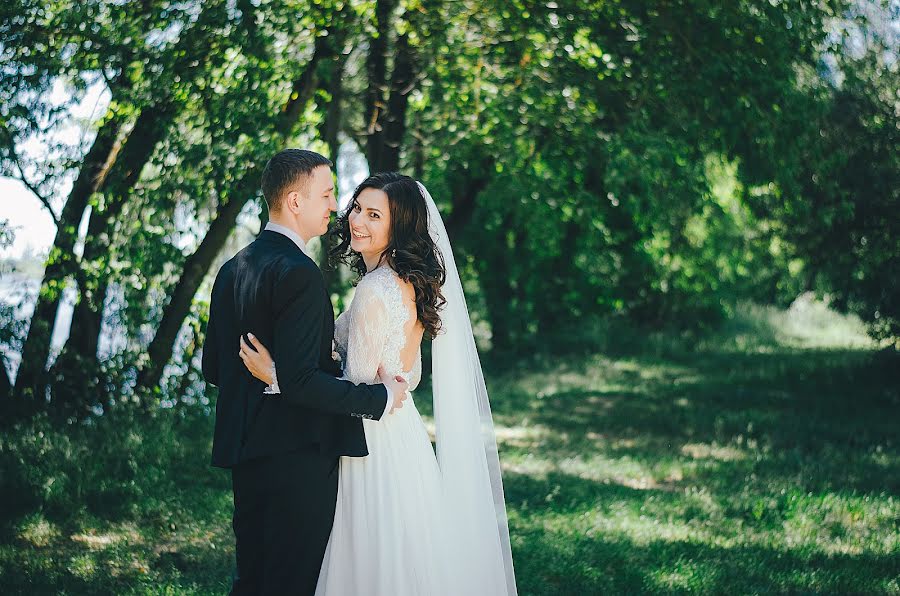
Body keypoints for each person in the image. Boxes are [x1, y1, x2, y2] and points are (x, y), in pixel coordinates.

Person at [239, 172, 518, 595]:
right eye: (356, 208)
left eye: (374, 215)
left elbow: (353, 392)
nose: (356, 221)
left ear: (398, 227)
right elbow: (410, 375)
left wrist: (278, 376)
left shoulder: (374, 289)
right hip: (403, 437)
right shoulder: (407, 284)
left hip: (366, 445)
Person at [201, 150, 409, 595]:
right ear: (295, 201)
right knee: (291, 582)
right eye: (328, 194)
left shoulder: (231, 270)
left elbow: (215, 368)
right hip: (295, 457)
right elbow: (299, 382)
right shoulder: (299, 273)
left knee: (252, 579)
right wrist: (380, 398)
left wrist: (273, 375)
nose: (336, 206)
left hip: (246, 455)